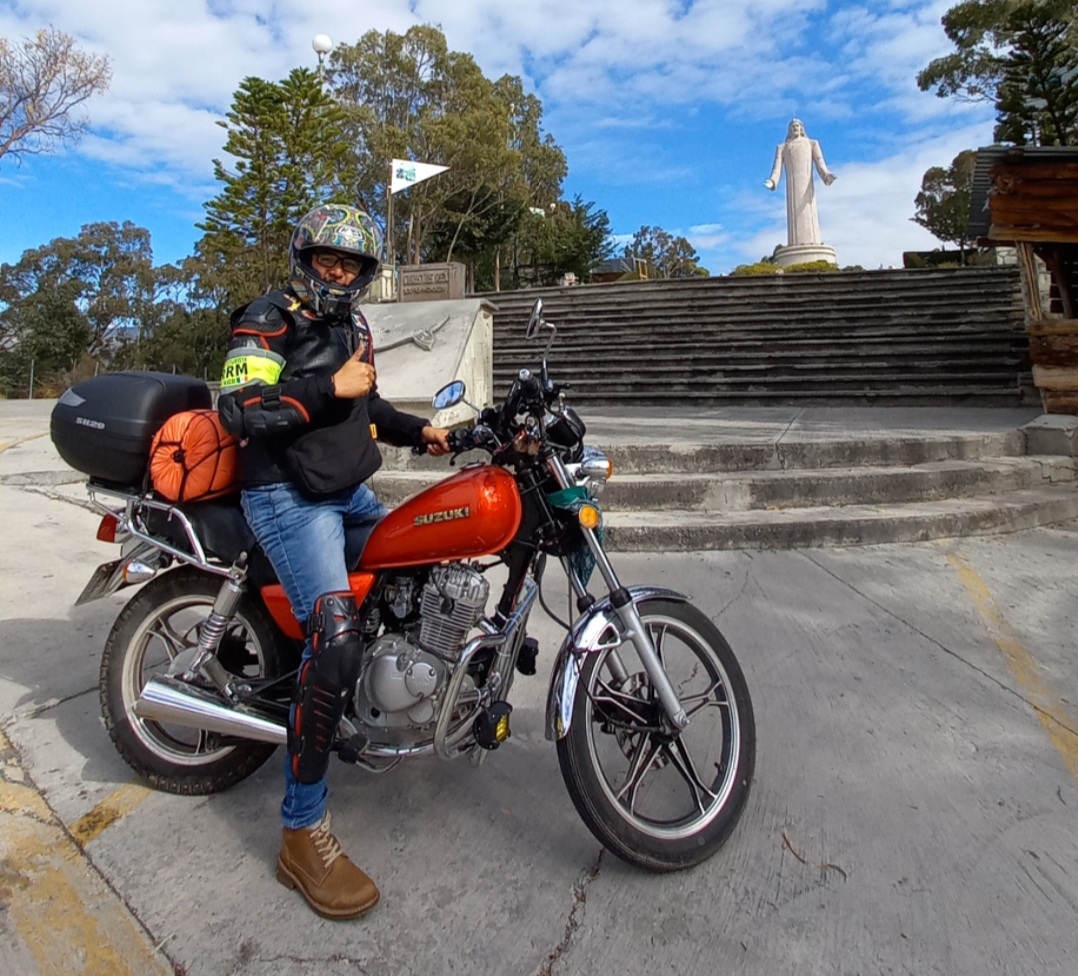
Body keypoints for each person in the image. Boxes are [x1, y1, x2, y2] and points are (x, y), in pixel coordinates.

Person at [217, 203, 450, 920]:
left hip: (348, 492)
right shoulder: (269, 318)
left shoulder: (356, 327)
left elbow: (366, 406)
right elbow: (238, 408)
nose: (340, 273)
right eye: (329, 260)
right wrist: (325, 388)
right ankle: (301, 829)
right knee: (337, 638)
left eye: (351, 265)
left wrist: (421, 431)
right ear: (306, 259)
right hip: (287, 496)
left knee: (420, 577)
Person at [764, 118, 836, 247]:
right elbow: (777, 169)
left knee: (809, 212)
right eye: (792, 126)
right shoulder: (783, 147)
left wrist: (826, 175)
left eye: (797, 126)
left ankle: (812, 241)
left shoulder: (812, 143)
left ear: (801, 128)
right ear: (789, 130)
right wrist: (772, 181)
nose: (795, 128)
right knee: (794, 215)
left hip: (807, 186)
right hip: (792, 187)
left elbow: (820, 162)